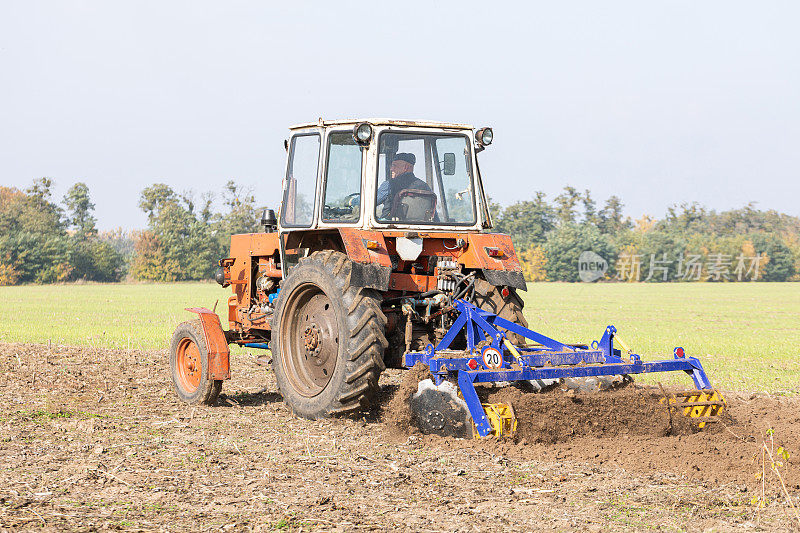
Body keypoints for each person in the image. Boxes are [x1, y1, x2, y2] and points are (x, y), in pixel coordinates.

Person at [376, 153, 433, 219]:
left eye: (394, 165)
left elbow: (368, 204)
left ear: (405, 167)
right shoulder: (425, 187)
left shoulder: (388, 185)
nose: (391, 169)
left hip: (390, 226)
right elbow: (433, 215)